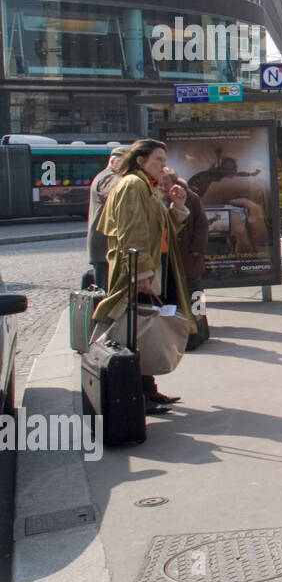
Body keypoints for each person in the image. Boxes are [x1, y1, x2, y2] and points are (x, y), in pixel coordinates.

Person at [91, 139, 195, 413]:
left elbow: (160, 229)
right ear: (141, 160)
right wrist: (141, 274)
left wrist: (177, 206)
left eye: (163, 159)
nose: (163, 165)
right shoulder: (133, 185)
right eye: (158, 159)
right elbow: (131, 231)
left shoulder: (144, 186)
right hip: (138, 271)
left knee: (142, 331)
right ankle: (138, 394)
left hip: (150, 267)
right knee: (134, 332)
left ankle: (148, 391)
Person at [87, 146, 131, 289]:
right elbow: (116, 189)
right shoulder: (107, 177)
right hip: (105, 246)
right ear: (114, 162)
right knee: (105, 292)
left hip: (109, 247)